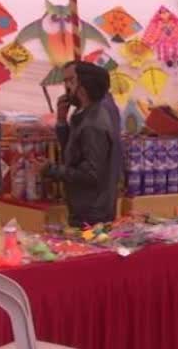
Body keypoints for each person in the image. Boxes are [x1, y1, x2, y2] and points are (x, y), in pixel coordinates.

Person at [35, 62, 119, 228]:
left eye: (70, 81)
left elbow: (91, 174)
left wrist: (51, 170)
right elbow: (73, 154)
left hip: (93, 213)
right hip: (84, 207)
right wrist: (61, 122)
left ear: (83, 85)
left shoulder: (93, 124)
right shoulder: (83, 114)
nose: (66, 87)